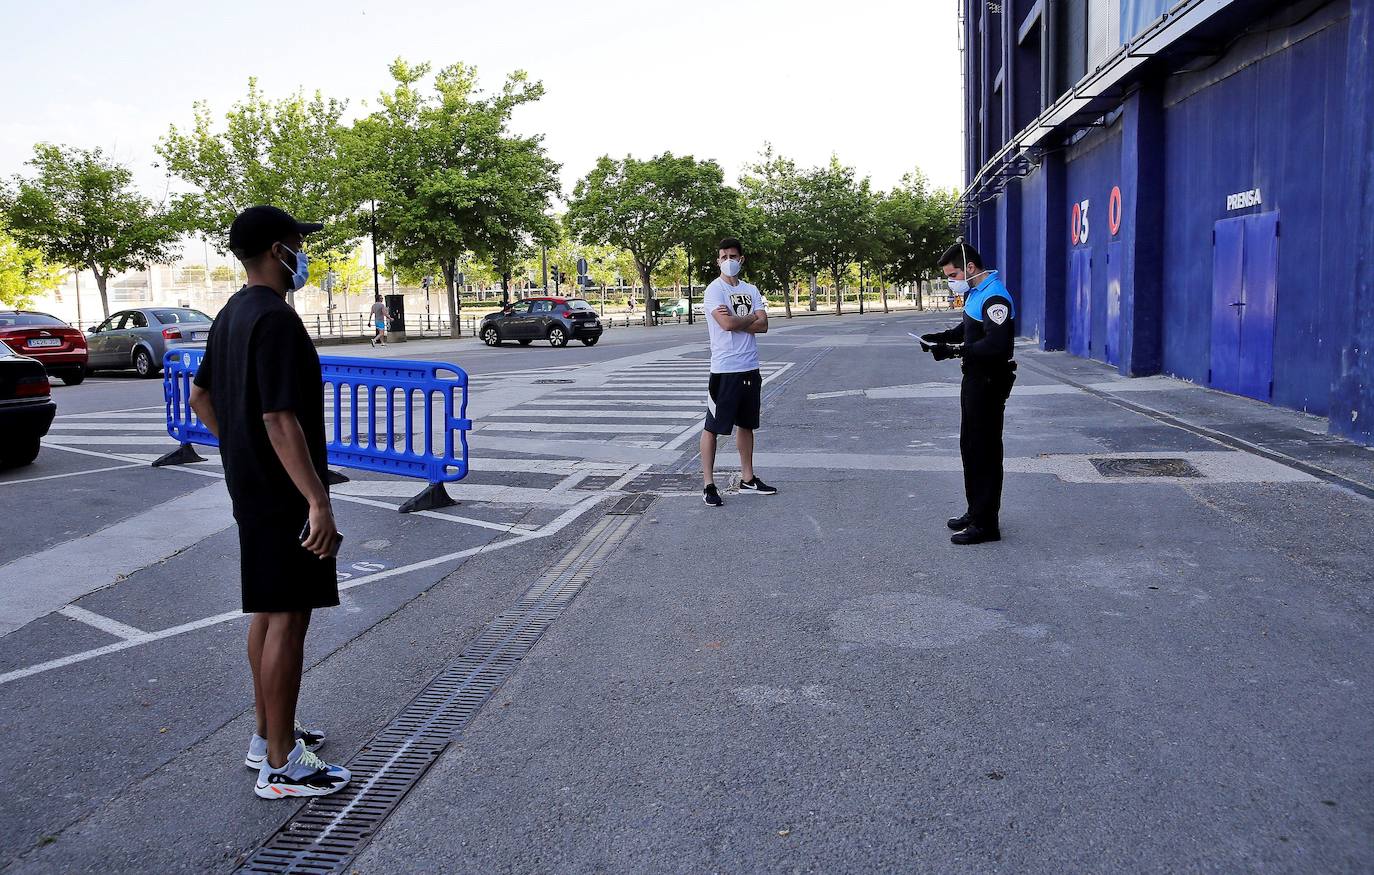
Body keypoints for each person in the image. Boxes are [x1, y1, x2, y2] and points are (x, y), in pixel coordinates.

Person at [188, 205, 350, 799]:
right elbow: (280, 417)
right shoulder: (276, 321)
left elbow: (202, 395)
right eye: (297, 243)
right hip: (284, 494)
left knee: (266, 607)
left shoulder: (232, 313)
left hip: (252, 485)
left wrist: (239, 448)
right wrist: (318, 501)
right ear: (278, 250)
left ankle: (267, 734)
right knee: (288, 614)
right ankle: (280, 765)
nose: (303, 253)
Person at [919, 238, 1016, 545]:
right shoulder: (976, 293)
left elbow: (998, 345)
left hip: (989, 381)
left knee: (985, 450)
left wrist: (955, 350)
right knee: (970, 447)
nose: (951, 283)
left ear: (970, 268)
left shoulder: (995, 297)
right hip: (974, 379)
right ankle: (976, 511)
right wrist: (941, 338)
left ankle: (987, 524)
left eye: (952, 276)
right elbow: (968, 329)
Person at [700, 237, 777, 506]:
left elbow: (764, 325)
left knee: (747, 424)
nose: (728, 261)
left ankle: (748, 479)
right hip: (724, 369)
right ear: (717, 260)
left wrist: (738, 320)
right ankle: (709, 485)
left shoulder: (751, 289)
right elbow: (726, 324)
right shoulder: (714, 290)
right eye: (723, 257)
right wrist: (748, 319)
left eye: (732, 256)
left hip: (749, 366)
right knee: (713, 427)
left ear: (741, 259)